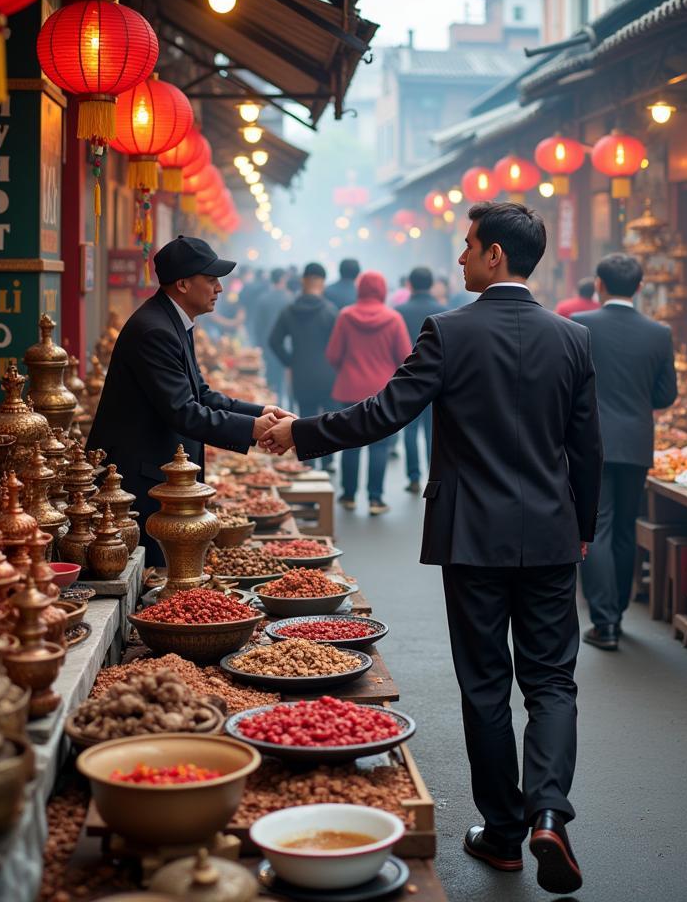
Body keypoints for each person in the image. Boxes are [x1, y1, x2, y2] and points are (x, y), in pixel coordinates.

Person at [262, 202, 602, 895]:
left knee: (484, 684)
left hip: (470, 535)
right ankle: (548, 813)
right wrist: (583, 526)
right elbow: (585, 448)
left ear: (497, 255)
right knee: (551, 681)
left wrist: (301, 433)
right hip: (548, 533)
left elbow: (383, 412)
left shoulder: (449, 332)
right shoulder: (572, 339)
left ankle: (503, 833)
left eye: (470, 245)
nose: (461, 258)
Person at [87, 236, 288, 565]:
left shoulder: (173, 322)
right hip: (140, 482)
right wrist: (252, 429)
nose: (219, 289)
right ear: (182, 284)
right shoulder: (156, 331)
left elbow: (201, 394)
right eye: (210, 280)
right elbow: (184, 412)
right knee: (154, 572)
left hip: (159, 476)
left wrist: (260, 412)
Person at [571, 253, 676, 651]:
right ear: (639, 287)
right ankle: (618, 609)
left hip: (588, 440)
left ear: (599, 284)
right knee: (625, 526)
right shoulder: (658, 332)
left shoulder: (580, 325)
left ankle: (605, 621)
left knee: (594, 526)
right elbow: (666, 394)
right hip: (635, 441)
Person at [320, 271, 410, 515]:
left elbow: (333, 354)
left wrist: (348, 369)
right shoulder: (393, 318)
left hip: (349, 388)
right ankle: (375, 499)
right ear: (382, 290)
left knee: (350, 442)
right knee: (379, 445)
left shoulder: (346, 316)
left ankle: (349, 495)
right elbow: (405, 357)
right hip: (382, 391)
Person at [268, 263, 338, 469]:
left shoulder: (289, 311)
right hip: (328, 374)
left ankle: (308, 463)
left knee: (305, 418)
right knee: (328, 419)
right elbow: (339, 345)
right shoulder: (331, 311)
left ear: (303, 281)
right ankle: (328, 460)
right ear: (322, 283)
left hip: (301, 373)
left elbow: (274, 341)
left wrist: (290, 361)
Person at [396, 266, 447, 492]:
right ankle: (431, 476)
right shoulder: (444, 311)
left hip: (408, 379)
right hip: (438, 380)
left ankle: (413, 476)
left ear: (410, 284)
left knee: (410, 429)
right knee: (432, 430)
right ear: (431, 284)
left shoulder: (400, 311)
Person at [253, 268, 293, 404]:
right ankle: (286, 407)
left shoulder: (263, 299)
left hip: (268, 345)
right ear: (283, 279)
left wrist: (259, 345)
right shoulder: (290, 299)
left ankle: (273, 406)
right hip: (287, 346)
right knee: (285, 380)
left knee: (271, 379)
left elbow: (257, 326)